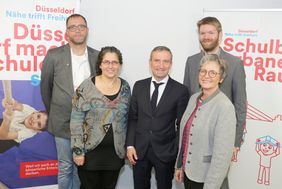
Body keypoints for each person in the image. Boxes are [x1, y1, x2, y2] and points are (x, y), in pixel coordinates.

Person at [183, 17, 247, 188]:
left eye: (210, 32)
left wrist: (235, 142)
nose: (206, 37)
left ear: (220, 34)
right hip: (195, 138)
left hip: (220, 136)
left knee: (217, 179)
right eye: (202, 33)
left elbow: (240, 106)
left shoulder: (234, 64)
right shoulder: (191, 61)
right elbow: (186, 99)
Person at [40, 14, 99, 189]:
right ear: (66, 32)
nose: (78, 30)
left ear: (87, 30)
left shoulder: (98, 56)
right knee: (66, 167)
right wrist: (55, 111)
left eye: (81, 26)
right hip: (62, 121)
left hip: (89, 124)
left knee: (83, 168)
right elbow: (46, 88)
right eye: (73, 27)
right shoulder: (54, 55)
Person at [126, 46, 189, 189]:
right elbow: (133, 118)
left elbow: (182, 125)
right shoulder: (139, 85)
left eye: (166, 61)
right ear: (150, 62)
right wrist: (130, 145)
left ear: (171, 64)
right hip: (139, 151)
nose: (161, 65)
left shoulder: (181, 90)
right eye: (157, 61)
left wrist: (176, 151)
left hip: (166, 152)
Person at [70, 46, 131, 189]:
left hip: (114, 154)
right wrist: (78, 151)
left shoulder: (125, 88)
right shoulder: (86, 87)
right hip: (90, 154)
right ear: (100, 64)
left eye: (115, 62)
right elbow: (76, 121)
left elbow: (127, 119)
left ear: (120, 65)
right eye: (106, 62)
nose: (111, 66)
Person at [175, 54, 236, 189]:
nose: (206, 75)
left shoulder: (225, 107)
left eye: (213, 73)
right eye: (203, 71)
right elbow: (185, 136)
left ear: (221, 78)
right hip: (189, 173)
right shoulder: (194, 98)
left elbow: (222, 156)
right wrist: (179, 165)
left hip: (206, 178)